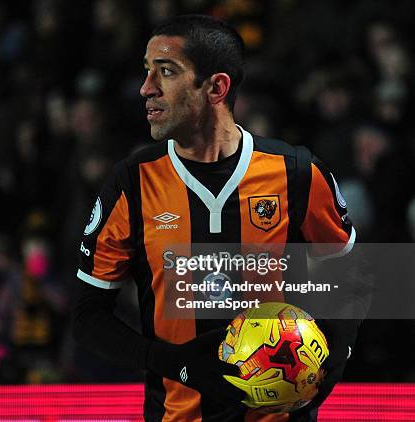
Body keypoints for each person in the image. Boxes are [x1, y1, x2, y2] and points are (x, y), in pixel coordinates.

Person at [72, 15, 359, 421]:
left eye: (166, 71)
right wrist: (176, 363)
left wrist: (331, 362)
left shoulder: (295, 171)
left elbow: (353, 273)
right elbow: (87, 317)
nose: (146, 88)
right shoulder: (132, 184)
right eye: (147, 71)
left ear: (216, 88)